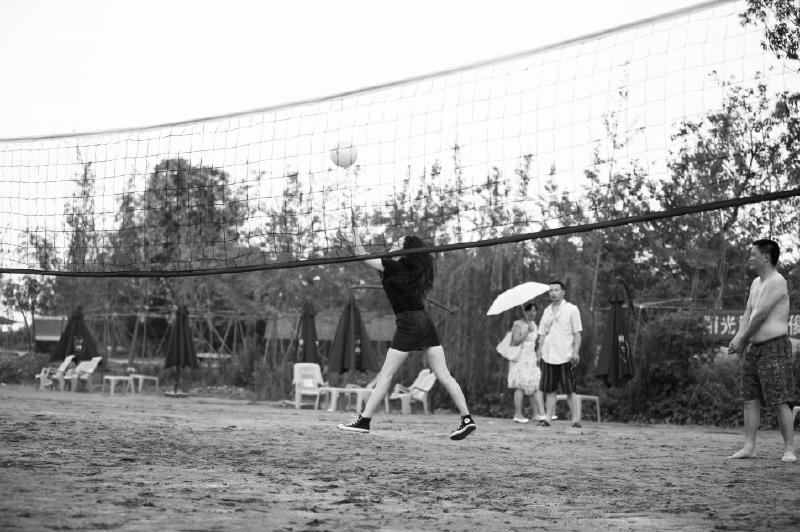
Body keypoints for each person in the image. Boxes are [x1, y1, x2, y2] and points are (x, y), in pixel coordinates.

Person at [337, 226, 476, 440]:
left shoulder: (394, 266)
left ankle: (364, 421)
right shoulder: (406, 268)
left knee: (386, 374)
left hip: (409, 323)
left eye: (398, 242)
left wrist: (355, 233)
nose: (393, 243)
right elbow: (363, 256)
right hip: (424, 322)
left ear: (405, 250)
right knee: (444, 375)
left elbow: (363, 255)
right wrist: (351, 245)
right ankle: (467, 419)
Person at [728, 239, 795, 463]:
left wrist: (742, 339)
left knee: (779, 400)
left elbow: (761, 316)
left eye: (753, 254)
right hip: (755, 349)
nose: (749, 258)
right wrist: (738, 338)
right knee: (749, 398)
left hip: (775, 348)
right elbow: (747, 314)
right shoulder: (756, 283)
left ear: (766, 257)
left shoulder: (777, 281)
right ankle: (749, 447)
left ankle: (789, 449)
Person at [537, 280, 582, 428]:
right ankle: (547, 419)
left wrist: (576, 352)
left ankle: (575, 419)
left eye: (556, 290)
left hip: (566, 355)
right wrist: (539, 353)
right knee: (550, 390)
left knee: (570, 389)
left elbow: (577, 334)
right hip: (549, 355)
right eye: (551, 290)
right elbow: (542, 334)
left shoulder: (571, 309)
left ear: (563, 292)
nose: (553, 293)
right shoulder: (547, 311)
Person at [507, 302, 546, 423]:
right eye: (530, 310)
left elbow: (536, 342)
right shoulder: (518, 324)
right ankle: (518, 414)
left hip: (531, 357)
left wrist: (539, 354)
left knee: (535, 384)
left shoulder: (533, 324)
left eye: (534, 311)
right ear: (525, 311)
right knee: (520, 385)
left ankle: (536, 414)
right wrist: (527, 331)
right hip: (520, 357)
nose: (532, 313)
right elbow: (515, 341)